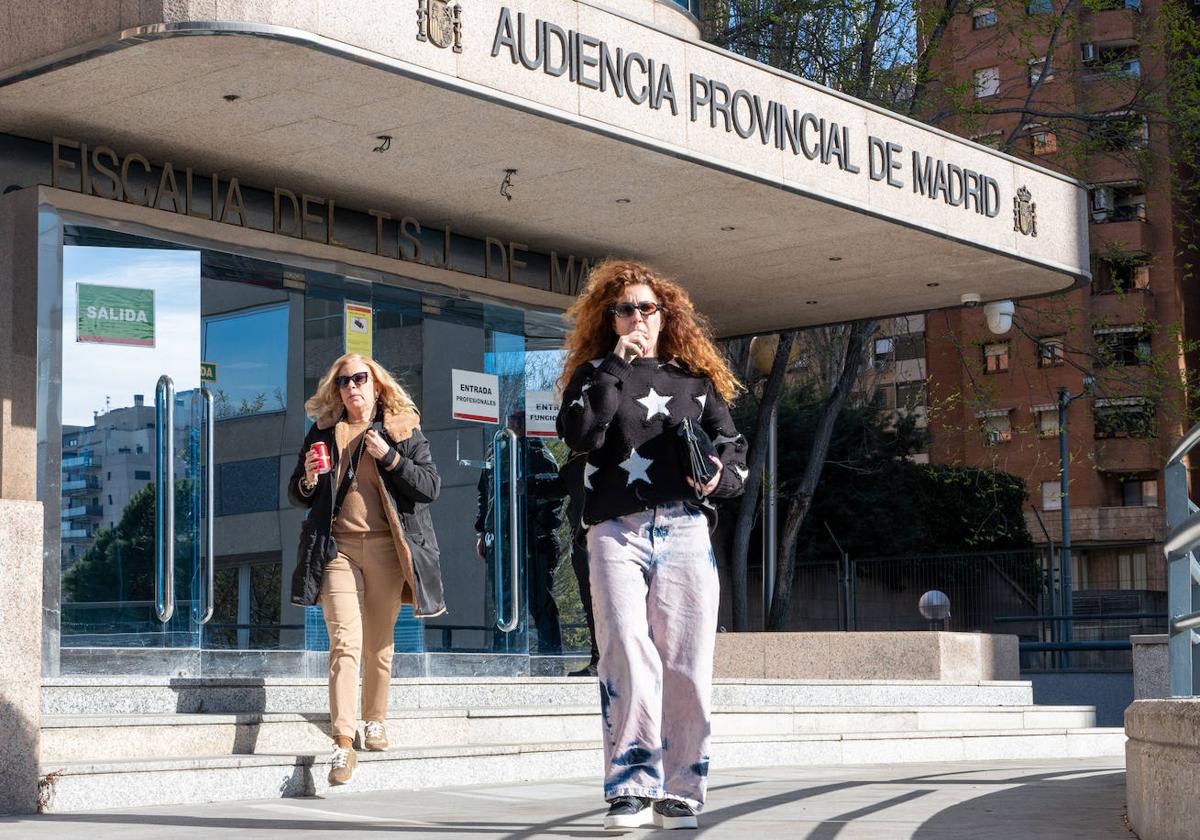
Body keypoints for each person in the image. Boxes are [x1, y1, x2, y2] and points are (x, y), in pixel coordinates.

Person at [555, 260, 747, 831]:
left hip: (687, 527)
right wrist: (616, 364)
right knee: (624, 649)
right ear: (609, 319)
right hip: (615, 527)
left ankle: (683, 792)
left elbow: (733, 448)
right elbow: (581, 435)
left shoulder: (694, 380)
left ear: (667, 316)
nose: (636, 317)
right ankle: (632, 788)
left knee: (686, 661)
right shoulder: (594, 373)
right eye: (624, 309)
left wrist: (719, 477)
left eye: (646, 308)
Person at [288, 353, 445, 786]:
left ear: (377, 386)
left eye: (360, 378)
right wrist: (307, 477)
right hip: (338, 550)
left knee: (379, 644)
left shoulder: (403, 429)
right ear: (336, 391)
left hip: (388, 550)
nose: (352, 386)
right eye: (344, 381)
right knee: (344, 641)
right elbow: (299, 495)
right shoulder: (323, 432)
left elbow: (430, 487)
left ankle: (374, 719)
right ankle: (342, 743)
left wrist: (390, 458)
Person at [474, 411, 563, 654]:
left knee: (540, 601)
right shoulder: (496, 450)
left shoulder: (538, 453)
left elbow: (554, 495)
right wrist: (483, 532)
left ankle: (550, 660)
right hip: (501, 538)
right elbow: (486, 493)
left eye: (520, 419)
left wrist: (540, 530)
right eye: (511, 418)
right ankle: (503, 658)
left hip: (532, 539)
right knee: (504, 602)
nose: (514, 423)